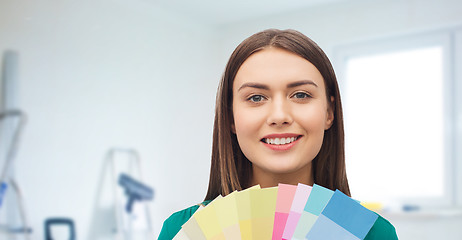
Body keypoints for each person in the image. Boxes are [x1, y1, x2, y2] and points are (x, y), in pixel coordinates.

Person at [158, 29, 398, 240]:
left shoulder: (374, 233)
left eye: (301, 95)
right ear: (230, 118)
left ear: (329, 112)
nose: (279, 115)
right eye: (256, 98)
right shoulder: (178, 230)